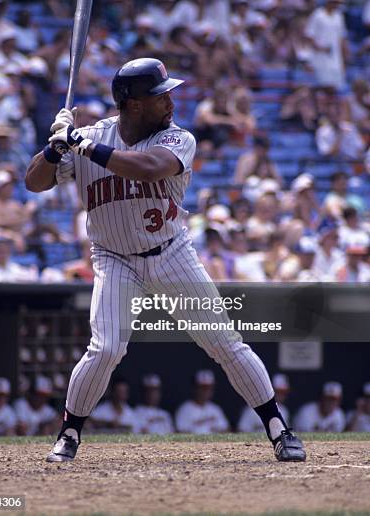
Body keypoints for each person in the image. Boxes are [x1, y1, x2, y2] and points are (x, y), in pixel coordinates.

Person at [25, 57, 306, 463]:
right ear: (134, 104)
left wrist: (82, 145)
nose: (170, 102)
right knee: (105, 349)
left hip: (172, 253)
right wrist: (54, 149)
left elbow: (148, 168)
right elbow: (34, 182)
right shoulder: (89, 135)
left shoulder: (176, 139)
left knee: (224, 343)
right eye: (160, 96)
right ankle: (69, 433)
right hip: (113, 257)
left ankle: (278, 429)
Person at [175, 370, 230, 434]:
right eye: (203, 388)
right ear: (195, 388)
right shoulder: (185, 409)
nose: (206, 391)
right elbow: (180, 432)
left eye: (209, 388)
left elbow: (227, 429)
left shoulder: (215, 408)